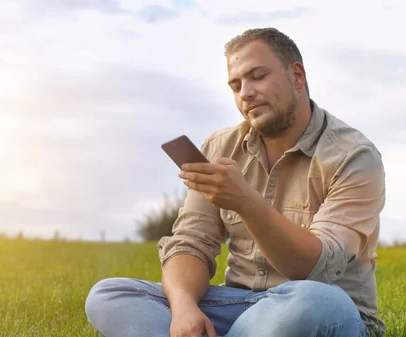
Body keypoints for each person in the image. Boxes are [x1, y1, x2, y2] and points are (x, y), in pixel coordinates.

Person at [85, 27, 386, 337]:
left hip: (319, 314)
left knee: (319, 300)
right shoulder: (220, 148)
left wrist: (244, 200)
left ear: (296, 76)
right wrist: (185, 306)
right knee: (110, 295)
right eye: (235, 85)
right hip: (241, 309)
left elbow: (314, 269)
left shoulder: (354, 156)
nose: (245, 92)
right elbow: (192, 243)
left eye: (258, 76)